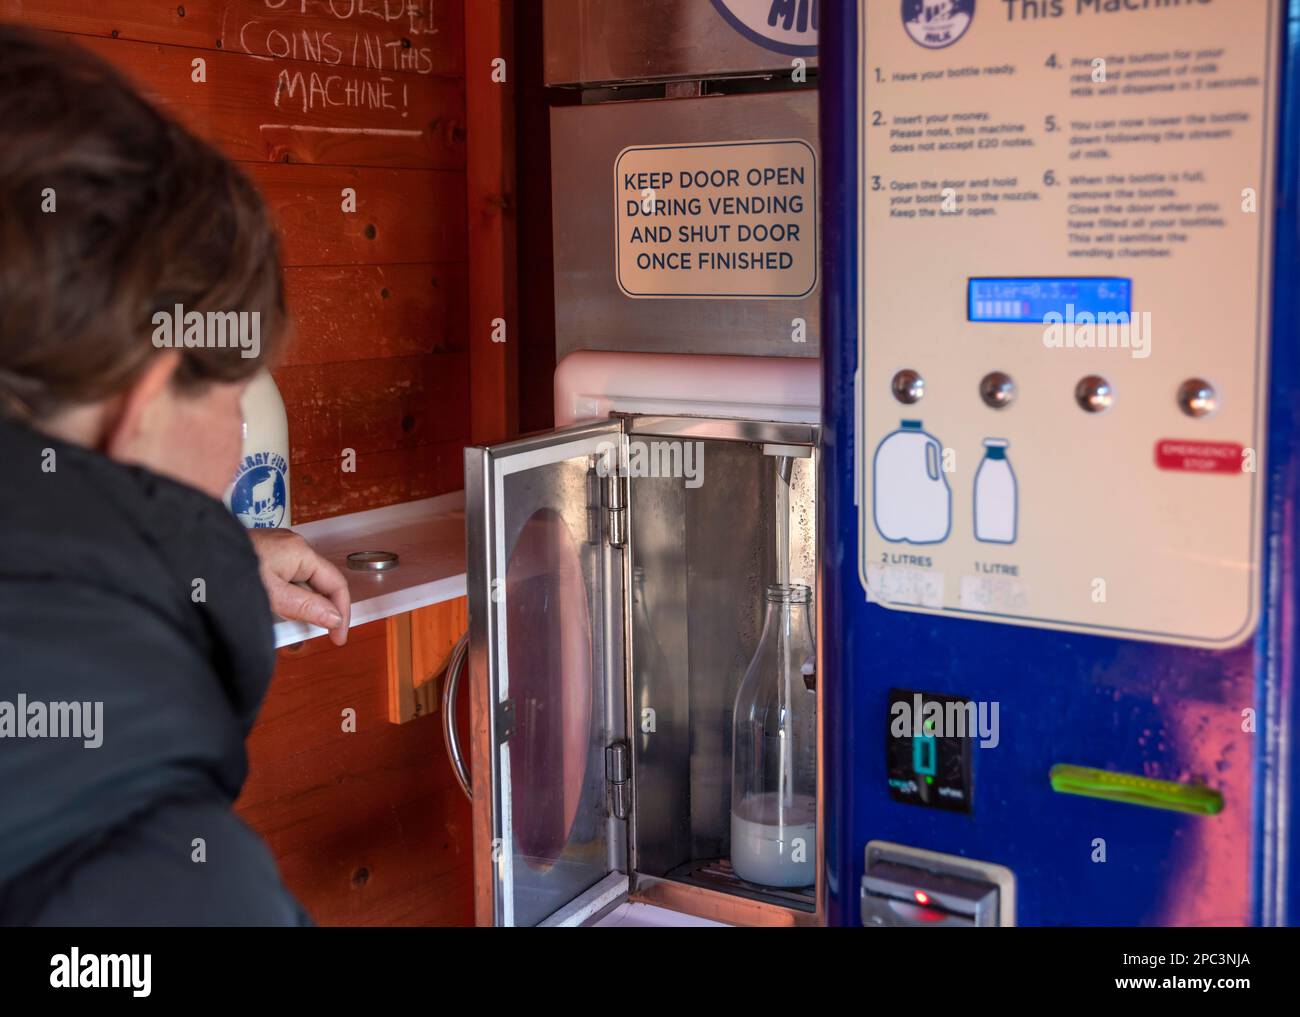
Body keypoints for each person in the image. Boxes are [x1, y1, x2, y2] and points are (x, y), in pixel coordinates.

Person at [0, 25, 351, 924]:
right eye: (234, 401)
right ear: (148, 397)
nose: (238, 442)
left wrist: (211, 561)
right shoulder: (155, 881)